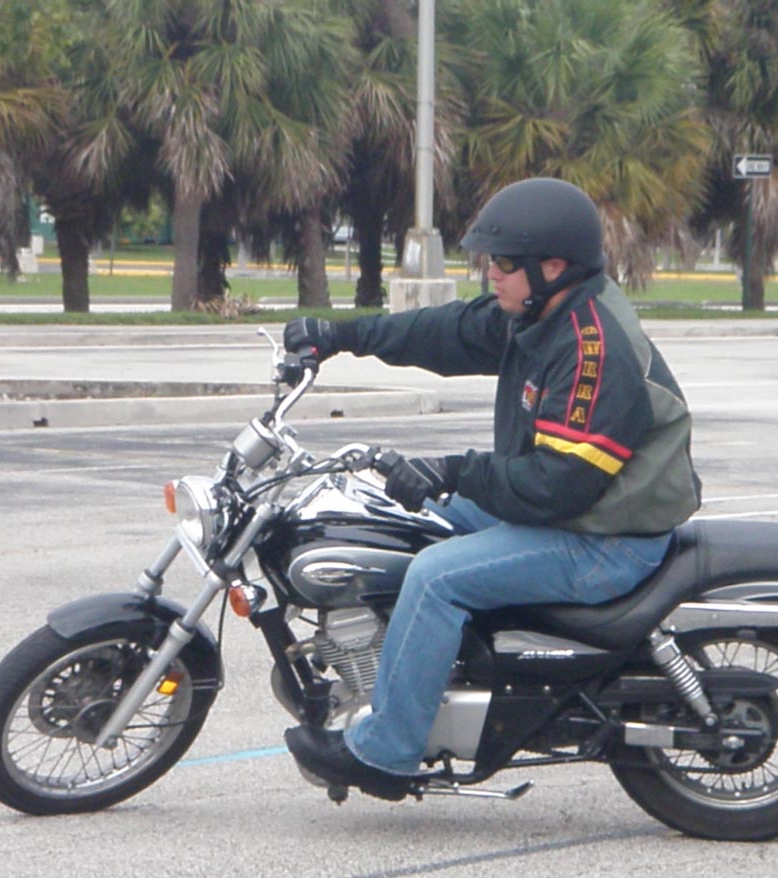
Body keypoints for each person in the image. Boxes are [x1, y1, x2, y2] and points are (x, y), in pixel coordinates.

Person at [282, 177, 701, 800]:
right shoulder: (542, 313)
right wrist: (342, 337)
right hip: (577, 515)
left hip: (606, 537)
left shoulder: (591, 349)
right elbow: (446, 331)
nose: (492, 274)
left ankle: (385, 753)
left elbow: (558, 486)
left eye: (504, 263)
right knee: (414, 518)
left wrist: (453, 470)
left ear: (552, 266)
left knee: (435, 577)